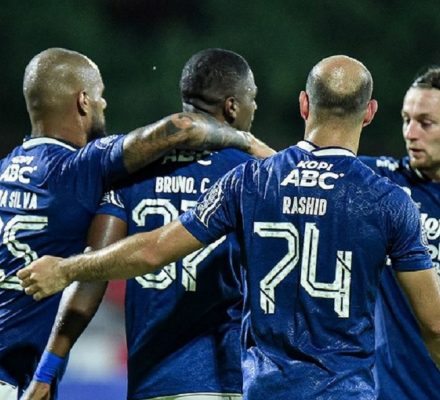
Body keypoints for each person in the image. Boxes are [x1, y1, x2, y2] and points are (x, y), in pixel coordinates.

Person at [19, 55, 440, 400]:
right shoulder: (387, 199)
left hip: (249, 387)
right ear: (369, 113)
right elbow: (435, 325)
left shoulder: (250, 182)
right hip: (326, 389)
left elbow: (150, 250)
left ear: (304, 105)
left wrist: (66, 269)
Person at [0, 47, 268, 400]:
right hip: (226, 377)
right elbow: (182, 127)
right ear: (83, 101)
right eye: (100, 96)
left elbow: (93, 269)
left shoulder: (11, 169)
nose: (105, 104)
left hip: (149, 382)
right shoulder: (85, 167)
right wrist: (255, 147)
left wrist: (49, 368)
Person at [359, 67, 440, 399]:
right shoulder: (384, 183)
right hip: (392, 391)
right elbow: (294, 168)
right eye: (406, 120)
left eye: (425, 123)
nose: (410, 133)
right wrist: (241, 140)